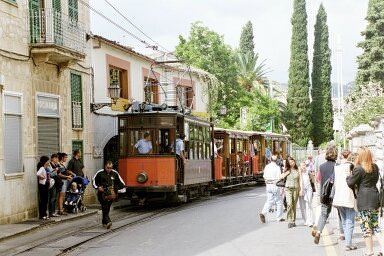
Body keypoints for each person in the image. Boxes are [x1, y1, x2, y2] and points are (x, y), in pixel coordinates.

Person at [347, 147, 384, 256]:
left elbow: (350, 183)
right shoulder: (375, 167)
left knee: (366, 227)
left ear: (361, 156)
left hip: (364, 200)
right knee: (376, 226)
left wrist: (349, 174)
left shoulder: (359, 169)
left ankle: (369, 251)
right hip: (374, 198)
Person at [313, 145, 338, 244]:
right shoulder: (337, 166)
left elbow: (318, 179)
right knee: (340, 213)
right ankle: (342, 233)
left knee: (324, 214)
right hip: (335, 194)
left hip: (324, 194)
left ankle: (319, 232)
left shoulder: (321, 166)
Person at [332, 149, 357, 251]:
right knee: (350, 220)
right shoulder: (351, 166)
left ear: (341, 156)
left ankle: (348, 242)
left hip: (338, 197)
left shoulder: (336, 167)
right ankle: (348, 244)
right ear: (350, 156)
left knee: (343, 220)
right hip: (348, 196)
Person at [93, 161, 126, 229]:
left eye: (111, 168)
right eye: (108, 168)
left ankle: (104, 222)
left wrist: (117, 190)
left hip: (111, 194)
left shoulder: (115, 173)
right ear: (105, 166)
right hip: (102, 193)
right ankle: (108, 221)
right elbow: (94, 181)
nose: (109, 169)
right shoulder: (100, 173)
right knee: (104, 206)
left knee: (107, 207)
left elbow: (121, 183)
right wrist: (98, 187)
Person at [259, 155, 284, 223]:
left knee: (269, 201)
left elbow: (264, 176)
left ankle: (263, 213)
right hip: (275, 184)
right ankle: (279, 217)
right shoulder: (277, 167)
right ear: (276, 160)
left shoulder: (267, 166)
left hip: (268, 185)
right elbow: (279, 177)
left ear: (270, 159)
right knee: (279, 202)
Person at [282, 156, 301, 228]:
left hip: (296, 188)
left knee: (294, 205)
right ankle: (289, 220)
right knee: (289, 204)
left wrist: (300, 189)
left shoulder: (297, 169)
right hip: (288, 188)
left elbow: (300, 180)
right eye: (290, 162)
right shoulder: (287, 169)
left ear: (294, 162)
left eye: (292, 162)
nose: (291, 163)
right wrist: (287, 172)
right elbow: (281, 176)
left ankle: (293, 220)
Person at [298, 161, 314, 227]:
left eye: (304, 165)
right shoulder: (299, 173)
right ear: (300, 166)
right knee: (302, 206)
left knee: (308, 204)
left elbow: (312, 180)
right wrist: (300, 190)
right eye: (302, 165)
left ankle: (310, 221)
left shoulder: (308, 172)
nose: (303, 166)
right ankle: (306, 220)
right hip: (301, 190)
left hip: (308, 189)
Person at [36, 155, 50, 220]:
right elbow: (37, 173)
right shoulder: (42, 167)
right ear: (45, 161)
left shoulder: (46, 167)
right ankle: (42, 215)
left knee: (46, 200)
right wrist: (41, 176)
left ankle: (45, 214)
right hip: (42, 186)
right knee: (43, 200)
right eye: (48, 160)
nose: (49, 162)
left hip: (46, 185)